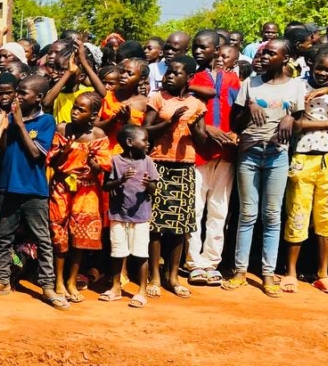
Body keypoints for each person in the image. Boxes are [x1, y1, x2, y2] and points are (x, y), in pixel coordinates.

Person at [225, 39, 306, 296]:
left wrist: (290, 118)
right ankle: (240, 270)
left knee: (272, 216)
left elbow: (302, 125)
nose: (264, 57)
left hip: (277, 155)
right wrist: (249, 108)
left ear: (285, 58)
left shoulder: (296, 86)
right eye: (263, 52)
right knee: (247, 215)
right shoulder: (250, 83)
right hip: (249, 153)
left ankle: (268, 273)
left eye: (272, 53)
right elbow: (235, 125)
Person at [281, 47, 328, 294]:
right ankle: (291, 271)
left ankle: (323, 273)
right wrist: (327, 123)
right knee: (297, 213)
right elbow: (294, 124)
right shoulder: (298, 87)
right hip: (303, 157)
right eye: (319, 68)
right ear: (312, 65)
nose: (323, 73)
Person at [0, 75, 62, 307]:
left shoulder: (46, 121)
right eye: (18, 91)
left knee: (42, 238)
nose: (18, 96)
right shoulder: (8, 118)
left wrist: (19, 124)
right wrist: (6, 128)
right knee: (3, 236)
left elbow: (37, 154)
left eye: (24, 92)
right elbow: (1, 149)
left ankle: (48, 286)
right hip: (7, 187)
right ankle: (2, 280)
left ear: (38, 97)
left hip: (33, 190)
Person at [143, 55, 208, 299]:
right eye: (168, 71)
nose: (169, 76)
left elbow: (201, 143)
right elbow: (145, 130)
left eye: (175, 73)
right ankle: (154, 276)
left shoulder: (197, 104)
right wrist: (169, 122)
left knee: (179, 226)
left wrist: (193, 127)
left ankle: (172, 276)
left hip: (184, 166)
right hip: (158, 163)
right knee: (156, 225)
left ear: (189, 78)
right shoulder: (158, 98)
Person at [184, 34, 242, 286]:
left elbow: (239, 111)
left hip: (227, 153)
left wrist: (234, 133)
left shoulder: (232, 79)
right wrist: (208, 130)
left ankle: (211, 262)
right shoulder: (191, 78)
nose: (198, 50)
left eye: (203, 46)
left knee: (219, 209)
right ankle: (193, 262)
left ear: (216, 50)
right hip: (198, 152)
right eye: (195, 46)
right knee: (194, 209)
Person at [47, 93, 110, 303]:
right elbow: (53, 163)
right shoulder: (62, 129)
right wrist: (64, 152)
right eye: (74, 107)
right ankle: (58, 281)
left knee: (80, 236)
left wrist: (94, 164)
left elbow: (103, 167)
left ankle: (71, 281)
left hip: (87, 189)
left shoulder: (98, 135)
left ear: (93, 115)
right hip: (62, 185)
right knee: (59, 233)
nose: (75, 111)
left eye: (81, 109)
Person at [102, 124, 159, 308]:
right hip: (118, 214)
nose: (148, 143)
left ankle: (141, 290)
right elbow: (106, 186)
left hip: (140, 215)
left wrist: (148, 184)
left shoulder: (148, 161)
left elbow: (154, 188)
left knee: (141, 253)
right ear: (129, 142)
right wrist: (121, 180)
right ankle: (116, 287)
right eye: (144, 140)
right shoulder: (115, 161)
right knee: (117, 252)